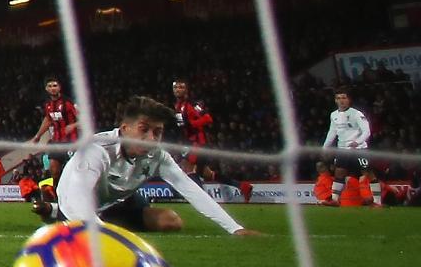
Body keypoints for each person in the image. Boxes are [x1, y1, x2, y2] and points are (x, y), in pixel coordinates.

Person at [38, 96, 259, 236]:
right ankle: (56, 212)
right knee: (77, 226)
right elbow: (77, 196)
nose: (152, 138)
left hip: (117, 203)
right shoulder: (96, 149)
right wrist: (106, 237)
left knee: (172, 222)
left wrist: (235, 228)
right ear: (125, 128)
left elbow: (191, 190)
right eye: (144, 130)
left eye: (158, 132)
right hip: (75, 204)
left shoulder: (157, 156)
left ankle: (101, 221)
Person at [322, 88, 377, 207]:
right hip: (342, 149)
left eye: (344, 98)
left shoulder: (356, 114)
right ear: (335, 100)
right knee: (339, 173)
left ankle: (378, 202)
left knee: (368, 173)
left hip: (359, 149)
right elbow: (332, 132)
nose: (341, 100)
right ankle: (335, 200)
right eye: (338, 98)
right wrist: (325, 147)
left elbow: (366, 131)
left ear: (349, 100)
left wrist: (357, 142)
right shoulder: (334, 115)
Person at [28, 77, 79, 188]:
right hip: (56, 141)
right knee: (54, 171)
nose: (53, 88)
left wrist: (73, 125)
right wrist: (38, 136)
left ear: (59, 87)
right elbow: (48, 120)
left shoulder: (68, 102)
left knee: (74, 172)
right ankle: (57, 197)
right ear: (46, 89)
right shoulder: (48, 105)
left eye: (55, 85)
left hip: (71, 141)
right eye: (50, 86)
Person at [172, 79, 213, 177]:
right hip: (188, 141)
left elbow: (208, 118)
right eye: (175, 87)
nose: (177, 90)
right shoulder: (177, 105)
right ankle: (241, 186)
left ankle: (195, 192)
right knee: (206, 174)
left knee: (187, 168)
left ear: (186, 90)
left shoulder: (192, 104)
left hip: (197, 142)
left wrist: (191, 123)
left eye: (181, 87)